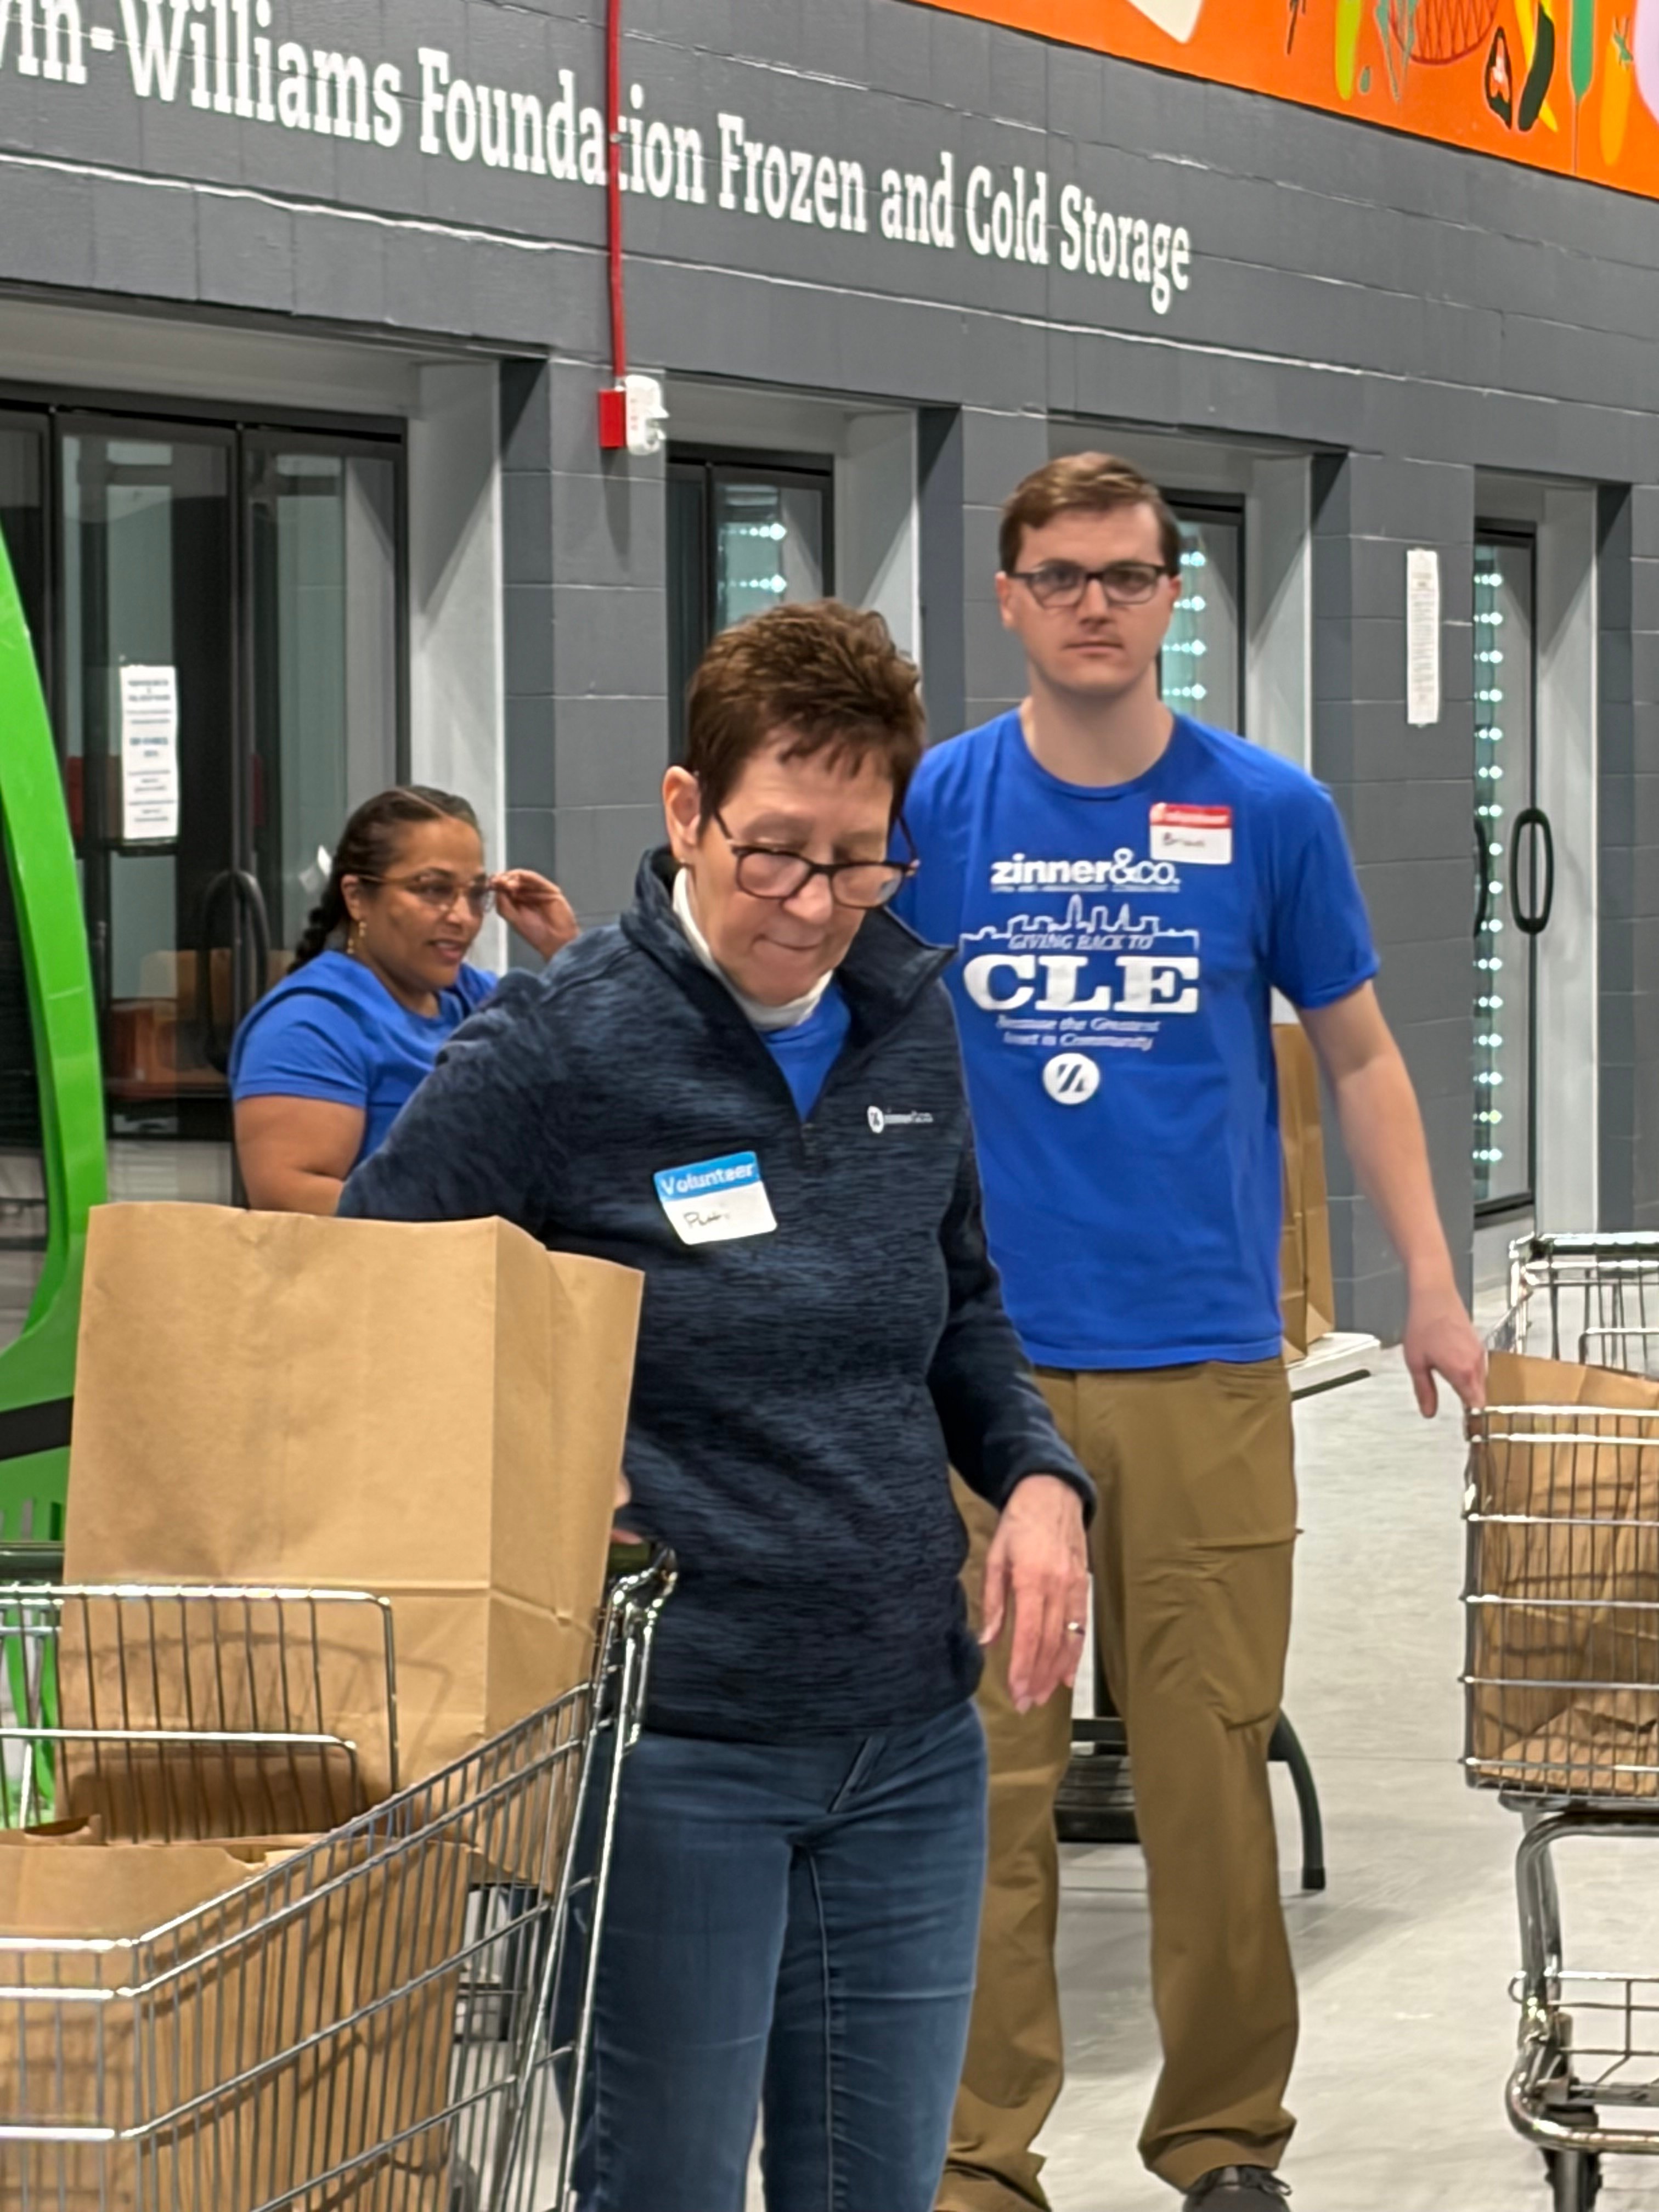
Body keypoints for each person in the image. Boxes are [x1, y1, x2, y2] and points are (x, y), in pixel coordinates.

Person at [338, 601, 1096, 2212]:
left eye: (860, 858)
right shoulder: (554, 1049)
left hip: (905, 1735)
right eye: (775, 854)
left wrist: (1037, 1477)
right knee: (667, 2185)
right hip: (669, 1754)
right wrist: (542, 1484)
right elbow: (373, 1316)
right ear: (685, 811)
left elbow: (961, 1308)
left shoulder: (911, 1023)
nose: (816, 905)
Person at [894, 454, 1487, 2212]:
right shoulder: (940, 803)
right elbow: (848, 1049)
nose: (1095, 603)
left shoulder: (1267, 814)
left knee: (1208, 1761)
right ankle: (976, 2152)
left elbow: (1363, 1053)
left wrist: (1434, 1289)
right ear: (1007, 597)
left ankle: (1224, 2139)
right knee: (990, 1776)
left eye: (1129, 576)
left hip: (1206, 1363)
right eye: (1061, 575)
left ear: (1173, 600)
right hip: (981, 1371)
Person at [229, 786, 578, 1212]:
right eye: (433, 890)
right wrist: (460, 1228)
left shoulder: (476, 999)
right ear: (357, 897)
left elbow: (605, 1081)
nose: (463, 917)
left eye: (474, 894)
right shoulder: (311, 1025)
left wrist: (565, 953)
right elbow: (290, 1199)